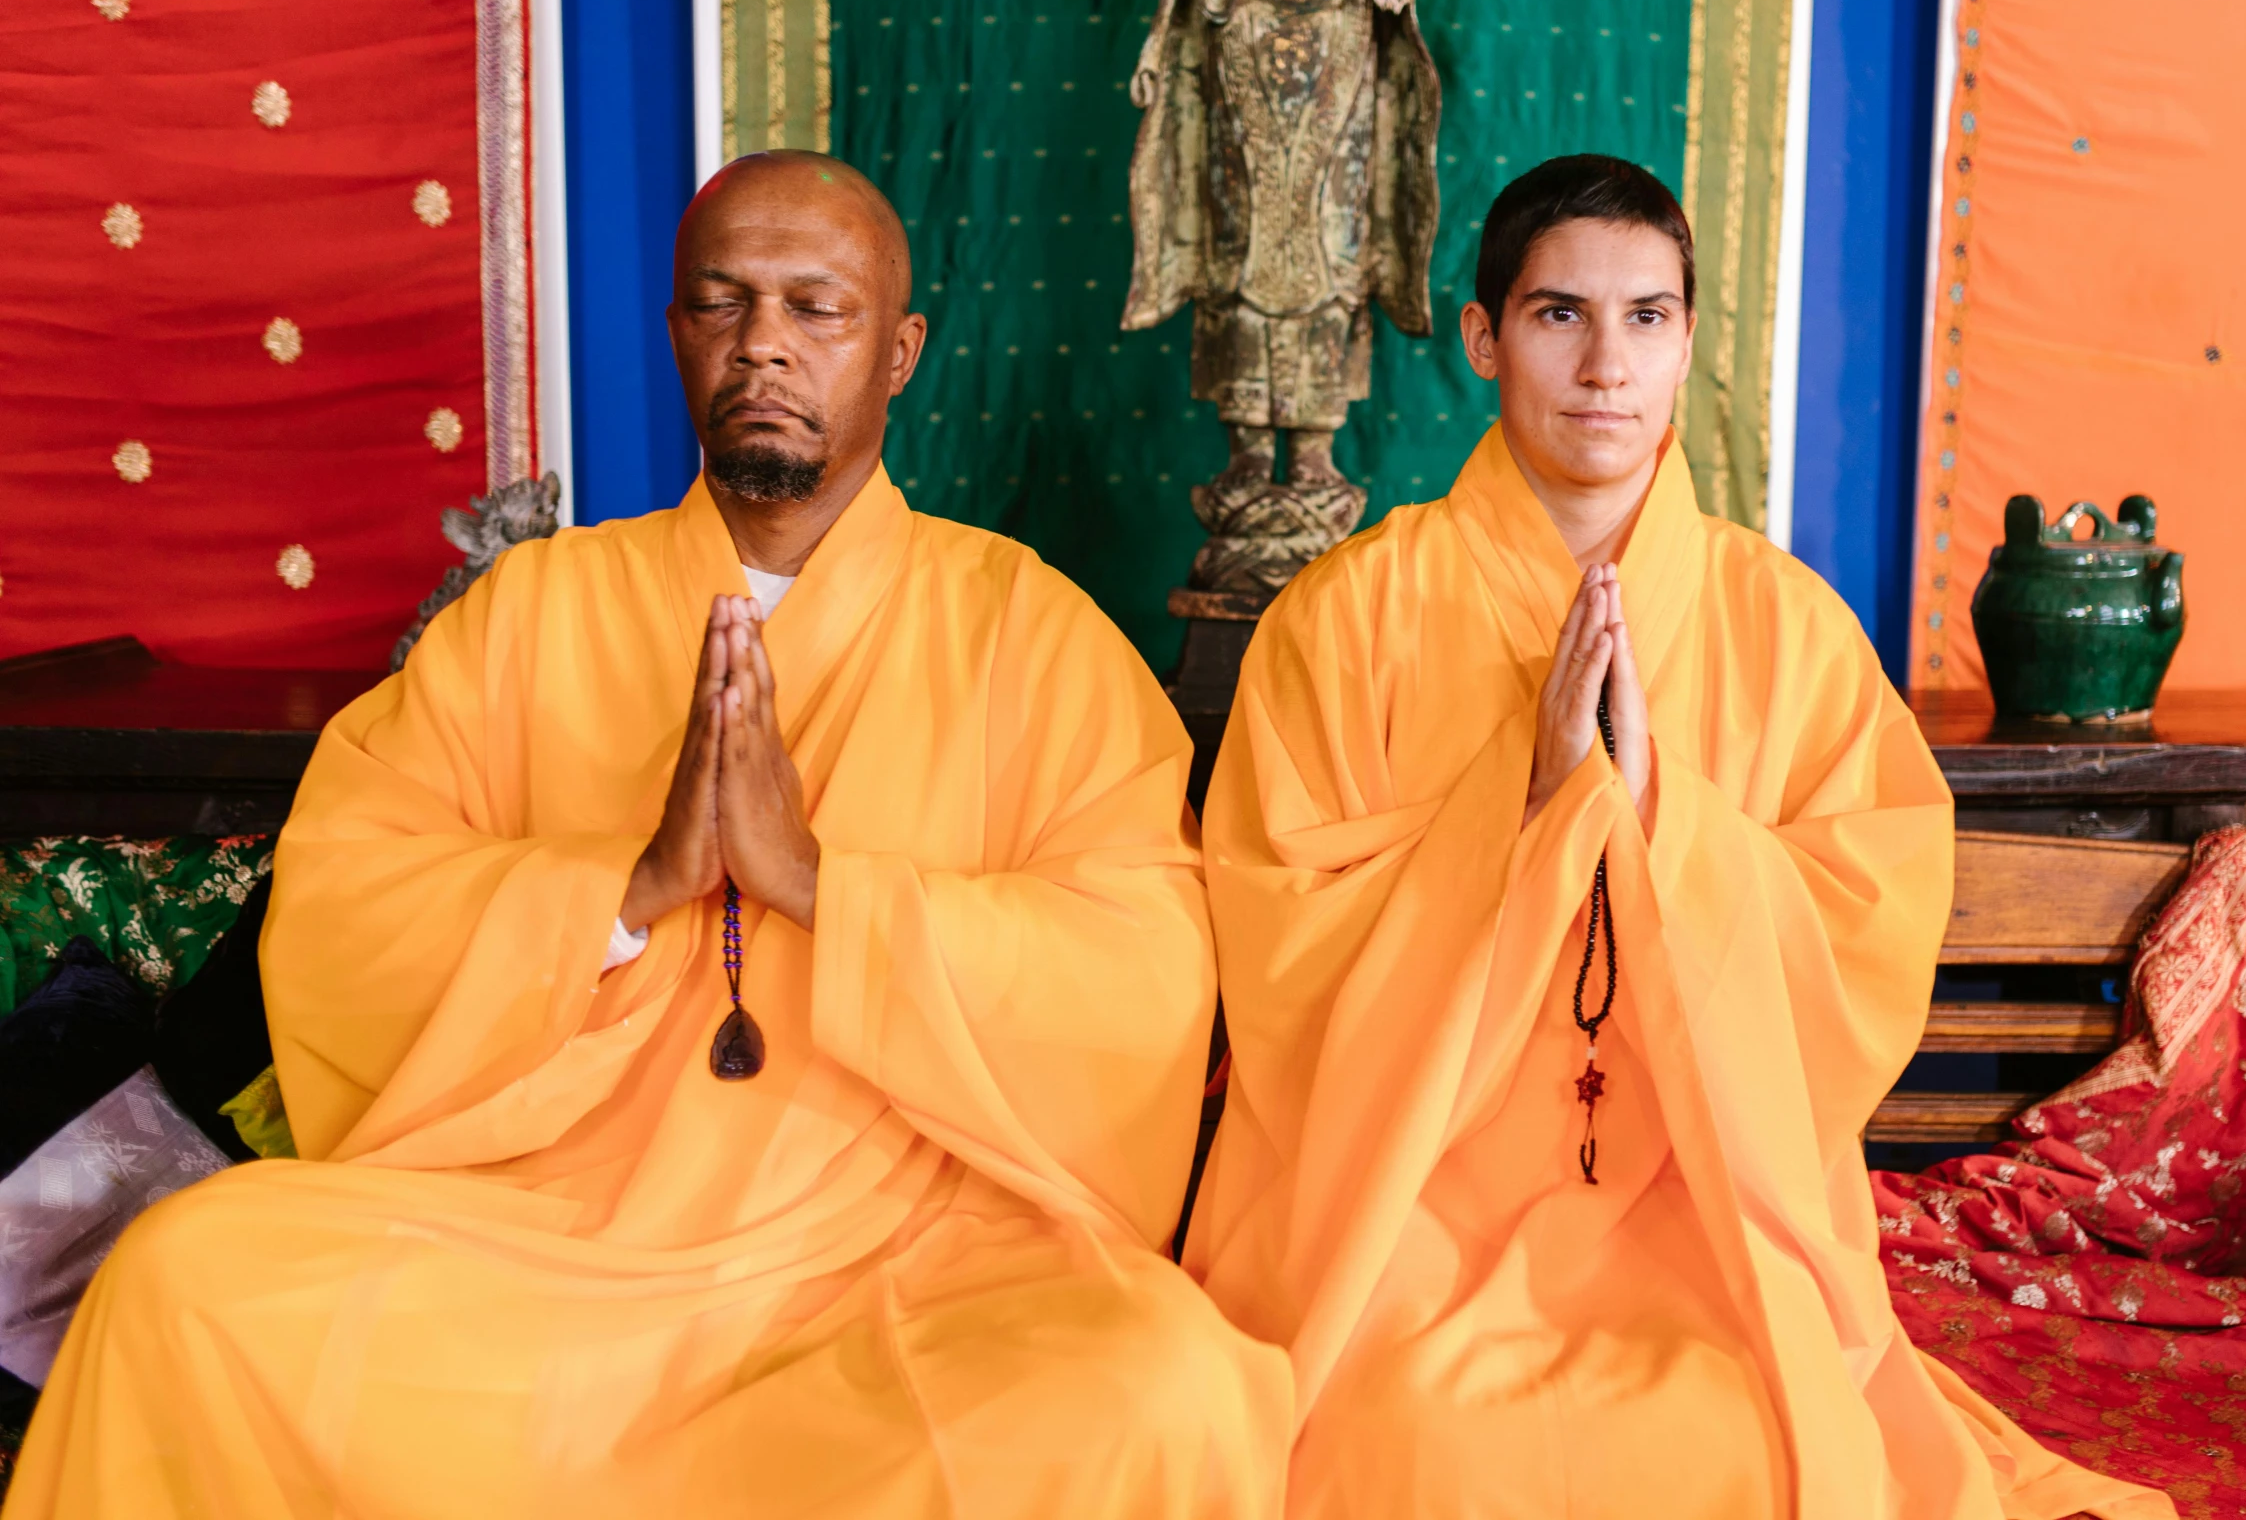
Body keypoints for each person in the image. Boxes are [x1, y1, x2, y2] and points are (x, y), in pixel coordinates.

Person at [3, 152, 1290, 1520]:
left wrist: (818, 886)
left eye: (816, 308)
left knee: (1160, 1381)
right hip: (539, 1235)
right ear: (676, 333)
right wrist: (629, 887)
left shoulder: (1033, 636)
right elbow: (345, 906)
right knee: (185, 1280)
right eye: (722, 305)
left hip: (909, 1249)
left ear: (901, 350)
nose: (765, 346)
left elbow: (1139, 974)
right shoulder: (527, 617)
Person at [1182, 155, 2174, 1520]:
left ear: (1689, 339)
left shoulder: (1789, 628)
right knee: (1411, 1448)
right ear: (1481, 338)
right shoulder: (1344, 622)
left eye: (1646, 317)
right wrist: (1519, 803)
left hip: (1700, 1203)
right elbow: (1281, 949)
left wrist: (1662, 815)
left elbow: (1865, 933)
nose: (1604, 364)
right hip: (1404, 1204)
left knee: (1743, 1439)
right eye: (1556, 315)